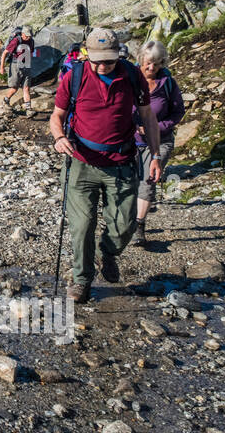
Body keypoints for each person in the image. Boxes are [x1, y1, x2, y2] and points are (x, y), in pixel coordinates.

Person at [49, 28, 163, 303]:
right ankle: (81, 281)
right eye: (97, 60)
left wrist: (156, 155)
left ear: (118, 56)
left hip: (121, 161)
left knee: (125, 225)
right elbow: (57, 115)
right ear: (87, 54)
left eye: (108, 61)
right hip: (81, 163)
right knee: (81, 225)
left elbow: (147, 115)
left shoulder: (132, 75)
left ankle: (107, 252)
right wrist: (59, 137)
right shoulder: (74, 76)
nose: (102, 66)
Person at [133, 39, 185, 247]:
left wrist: (158, 127)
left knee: (147, 180)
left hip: (161, 141)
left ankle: (139, 226)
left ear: (162, 63)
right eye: (147, 63)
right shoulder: (130, 80)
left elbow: (178, 112)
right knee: (128, 181)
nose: (151, 67)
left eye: (156, 63)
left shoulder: (168, 84)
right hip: (132, 140)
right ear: (140, 60)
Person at [0, 26, 36, 113]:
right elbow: (5, 53)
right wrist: (2, 67)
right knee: (14, 88)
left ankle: (28, 109)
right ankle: (5, 100)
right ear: (22, 34)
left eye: (30, 36)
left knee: (26, 88)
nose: (28, 38)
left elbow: (31, 52)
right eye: (27, 36)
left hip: (26, 66)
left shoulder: (31, 41)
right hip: (16, 65)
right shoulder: (16, 40)